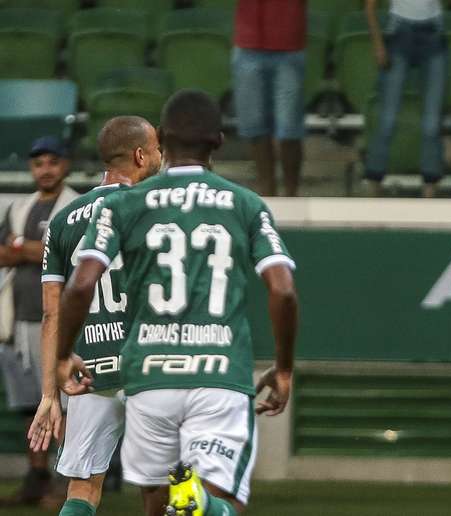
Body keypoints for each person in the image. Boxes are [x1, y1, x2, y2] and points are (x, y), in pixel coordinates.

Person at [56, 89, 298, 516]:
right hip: (220, 370)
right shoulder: (246, 204)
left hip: (150, 372)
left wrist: (61, 355)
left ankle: (188, 499)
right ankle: (203, 500)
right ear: (219, 141)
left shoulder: (125, 204)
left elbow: (78, 286)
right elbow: (282, 291)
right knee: (222, 502)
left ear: (162, 140)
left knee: (152, 501)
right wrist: (282, 368)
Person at [27, 116, 162, 516]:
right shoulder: (155, 208)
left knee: (82, 486)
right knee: (162, 482)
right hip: (149, 363)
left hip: (86, 370)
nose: (160, 155)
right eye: (156, 148)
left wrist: (50, 393)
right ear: (140, 155)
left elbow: (52, 315)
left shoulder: (64, 219)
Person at [0, 136, 78, 507]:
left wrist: (22, 247)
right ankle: (37, 478)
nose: (45, 169)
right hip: (20, 318)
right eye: (38, 163)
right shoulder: (20, 206)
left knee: (63, 403)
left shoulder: (78, 205)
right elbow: (2, 254)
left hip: (62, 322)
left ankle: (67, 482)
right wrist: (29, 249)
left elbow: (64, 254)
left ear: (65, 164)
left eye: (52, 162)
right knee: (31, 404)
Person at [364, 0, 449, 198]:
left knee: (431, 122)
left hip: (434, 32)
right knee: (388, 117)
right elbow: (369, 7)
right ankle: (373, 181)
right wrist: (378, 45)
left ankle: (430, 188)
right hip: (399, 32)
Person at [231, 0, 306, 197]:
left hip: (289, 44)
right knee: (255, 129)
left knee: (289, 131)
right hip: (249, 45)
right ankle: (267, 195)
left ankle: (292, 196)